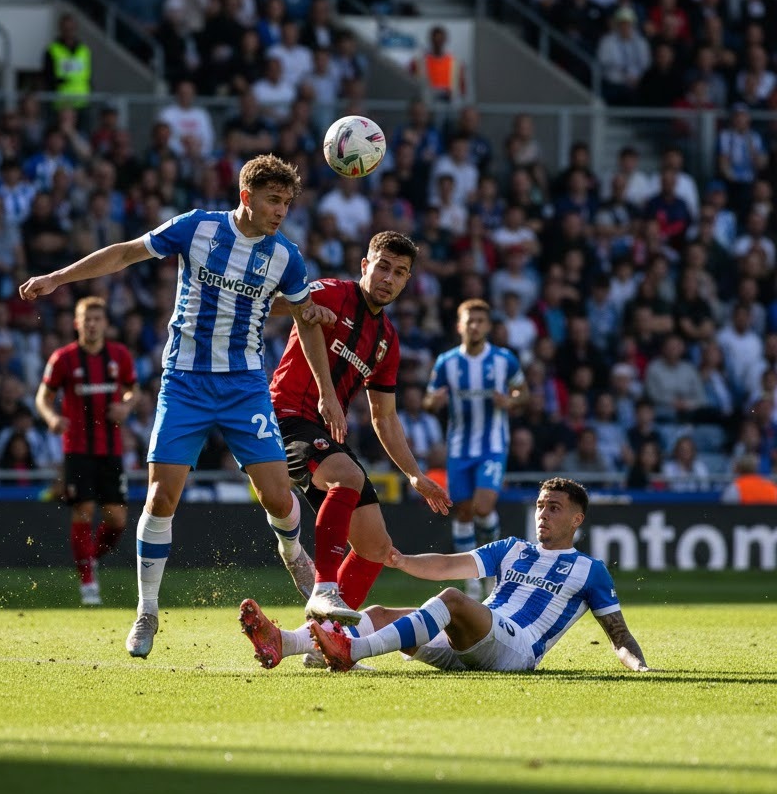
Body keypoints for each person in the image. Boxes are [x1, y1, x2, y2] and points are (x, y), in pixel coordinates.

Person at [20, 154, 345, 658]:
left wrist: (325, 389)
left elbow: (303, 317)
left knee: (280, 500)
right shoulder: (198, 228)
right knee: (160, 498)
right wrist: (59, 278)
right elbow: (127, 252)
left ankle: (292, 552)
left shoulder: (286, 256)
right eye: (273, 200)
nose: (281, 210)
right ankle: (147, 612)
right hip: (186, 384)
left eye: (287, 202)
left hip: (244, 387)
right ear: (247, 197)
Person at [239, 478, 651, 675]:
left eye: (555, 508)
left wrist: (641, 669)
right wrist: (399, 560)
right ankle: (285, 643)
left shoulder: (590, 570)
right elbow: (446, 563)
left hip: (517, 650)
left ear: (577, 519)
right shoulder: (514, 549)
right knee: (381, 612)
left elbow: (619, 635)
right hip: (471, 637)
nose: (543, 514)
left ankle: (352, 652)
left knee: (452, 599)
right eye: (541, 505)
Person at [268, 230, 451, 632]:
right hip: (285, 416)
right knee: (347, 477)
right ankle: (324, 588)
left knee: (375, 547)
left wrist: (415, 474)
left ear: (406, 281)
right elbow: (273, 303)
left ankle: (323, 641)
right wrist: (304, 307)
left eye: (399, 272)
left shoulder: (387, 341)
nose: (388, 278)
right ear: (365, 265)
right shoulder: (333, 291)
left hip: (327, 432)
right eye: (383, 266)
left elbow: (384, 417)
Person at [35, 296, 137, 606]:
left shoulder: (119, 355)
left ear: (105, 323)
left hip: (111, 448)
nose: (91, 324)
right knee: (84, 510)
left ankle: (88, 559)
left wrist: (126, 405)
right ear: (76, 323)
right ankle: (88, 585)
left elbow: (134, 388)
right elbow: (43, 396)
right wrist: (52, 417)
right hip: (77, 448)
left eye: (97, 318)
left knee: (117, 519)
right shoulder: (63, 358)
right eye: (85, 319)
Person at [424, 298, 527, 600]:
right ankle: (471, 580)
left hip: (492, 446)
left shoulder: (504, 359)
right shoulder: (447, 362)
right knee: (465, 513)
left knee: (483, 507)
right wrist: (435, 401)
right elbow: (429, 399)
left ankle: (493, 571)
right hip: (459, 448)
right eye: (469, 320)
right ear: (460, 325)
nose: (475, 325)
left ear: (488, 326)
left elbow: (523, 393)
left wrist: (511, 400)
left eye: (480, 321)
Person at [42, 12, 92, 117]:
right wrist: (61, 82)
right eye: (66, 28)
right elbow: (47, 76)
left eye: (71, 28)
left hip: (82, 101)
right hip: (61, 103)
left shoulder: (84, 50)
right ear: (60, 29)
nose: (69, 31)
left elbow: (88, 75)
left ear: (75, 28)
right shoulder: (52, 50)